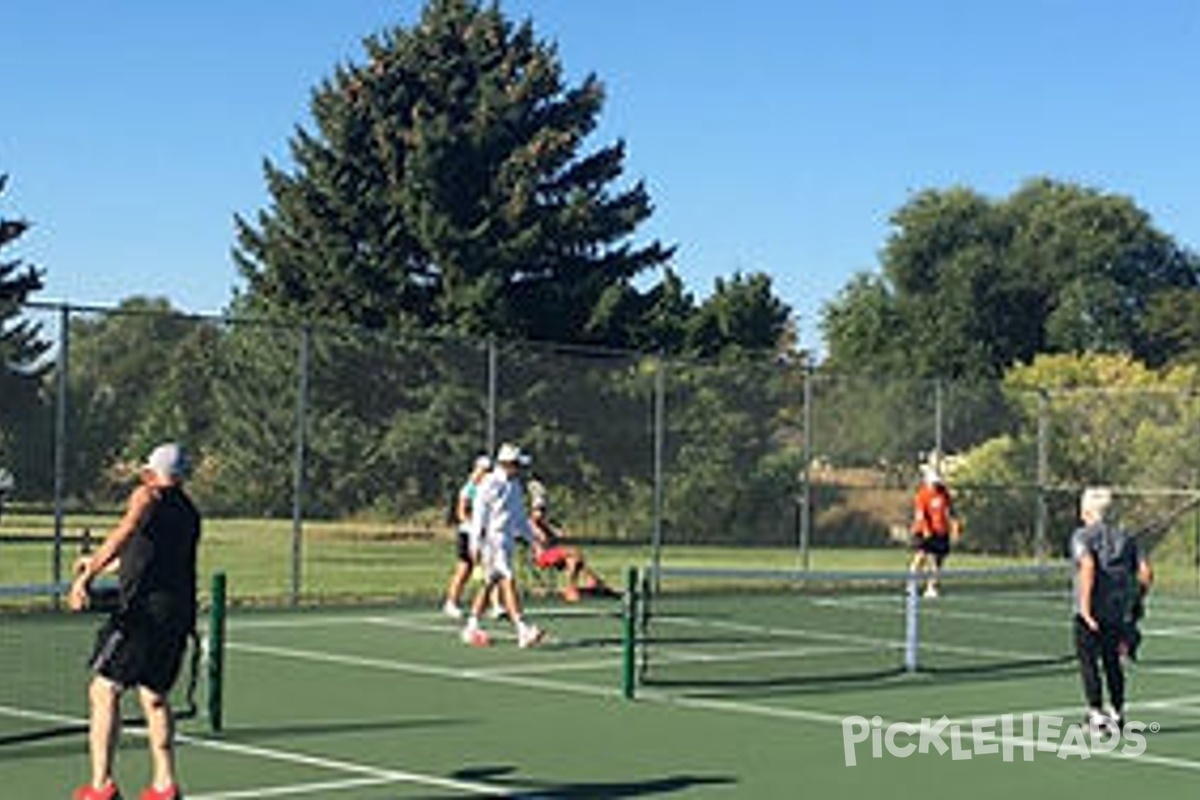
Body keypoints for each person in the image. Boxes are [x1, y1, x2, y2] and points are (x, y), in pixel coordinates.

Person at [68, 443, 201, 800]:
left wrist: (87, 576)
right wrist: (100, 562)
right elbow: (149, 555)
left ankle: (100, 787)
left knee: (104, 689)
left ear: (152, 472)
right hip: (177, 615)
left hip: (142, 615)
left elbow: (126, 532)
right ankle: (165, 786)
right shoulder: (189, 511)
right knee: (155, 697)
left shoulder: (147, 496)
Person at [1071, 486, 1153, 732]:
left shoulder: (1082, 536)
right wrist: (1136, 601)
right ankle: (1117, 713)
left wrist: (1085, 610)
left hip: (1093, 611)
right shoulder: (1127, 537)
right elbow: (1146, 573)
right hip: (1117, 611)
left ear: (1087, 511)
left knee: (1088, 663)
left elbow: (1087, 567)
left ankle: (1096, 714)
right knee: (1112, 663)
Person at [460, 443, 544, 648]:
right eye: (516, 464)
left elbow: (519, 517)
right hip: (491, 541)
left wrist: (533, 541)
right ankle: (522, 629)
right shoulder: (489, 484)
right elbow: (479, 516)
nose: (519, 469)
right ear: (507, 464)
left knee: (490, 582)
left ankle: (471, 626)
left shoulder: (514, 485)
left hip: (505, 542)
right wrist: (475, 544)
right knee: (507, 579)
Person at [527, 483, 616, 603]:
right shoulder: (529, 524)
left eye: (543, 510)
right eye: (538, 510)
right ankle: (583, 585)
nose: (541, 513)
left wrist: (553, 529)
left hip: (552, 555)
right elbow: (538, 537)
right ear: (531, 511)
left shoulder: (544, 525)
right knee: (573, 552)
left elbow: (558, 535)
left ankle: (580, 586)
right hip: (542, 557)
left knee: (574, 560)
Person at [441, 455, 492, 619]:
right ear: (476, 469)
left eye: (488, 471)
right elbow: (461, 513)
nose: (485, 474)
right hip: (467, 533)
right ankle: (451, 603)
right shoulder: (469, 488)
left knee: (491, 568)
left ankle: (494, 605)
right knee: (464, 569)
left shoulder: (490, 488)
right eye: (483, 470)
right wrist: (474, 526)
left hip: (485, 533)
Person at [909, 464, 959, 598]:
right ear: (927, 482)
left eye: (937, 482)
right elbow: (920, 514)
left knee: (938, 561)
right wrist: (926, 530)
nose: (935, 485)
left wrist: (954, 526)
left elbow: (951, 510)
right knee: (921, 556)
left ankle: (932, 587)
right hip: (923, 531)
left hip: (941, 532)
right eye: (933, 483)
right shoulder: (922, 494)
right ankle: (912, 584)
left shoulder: (944, 493)